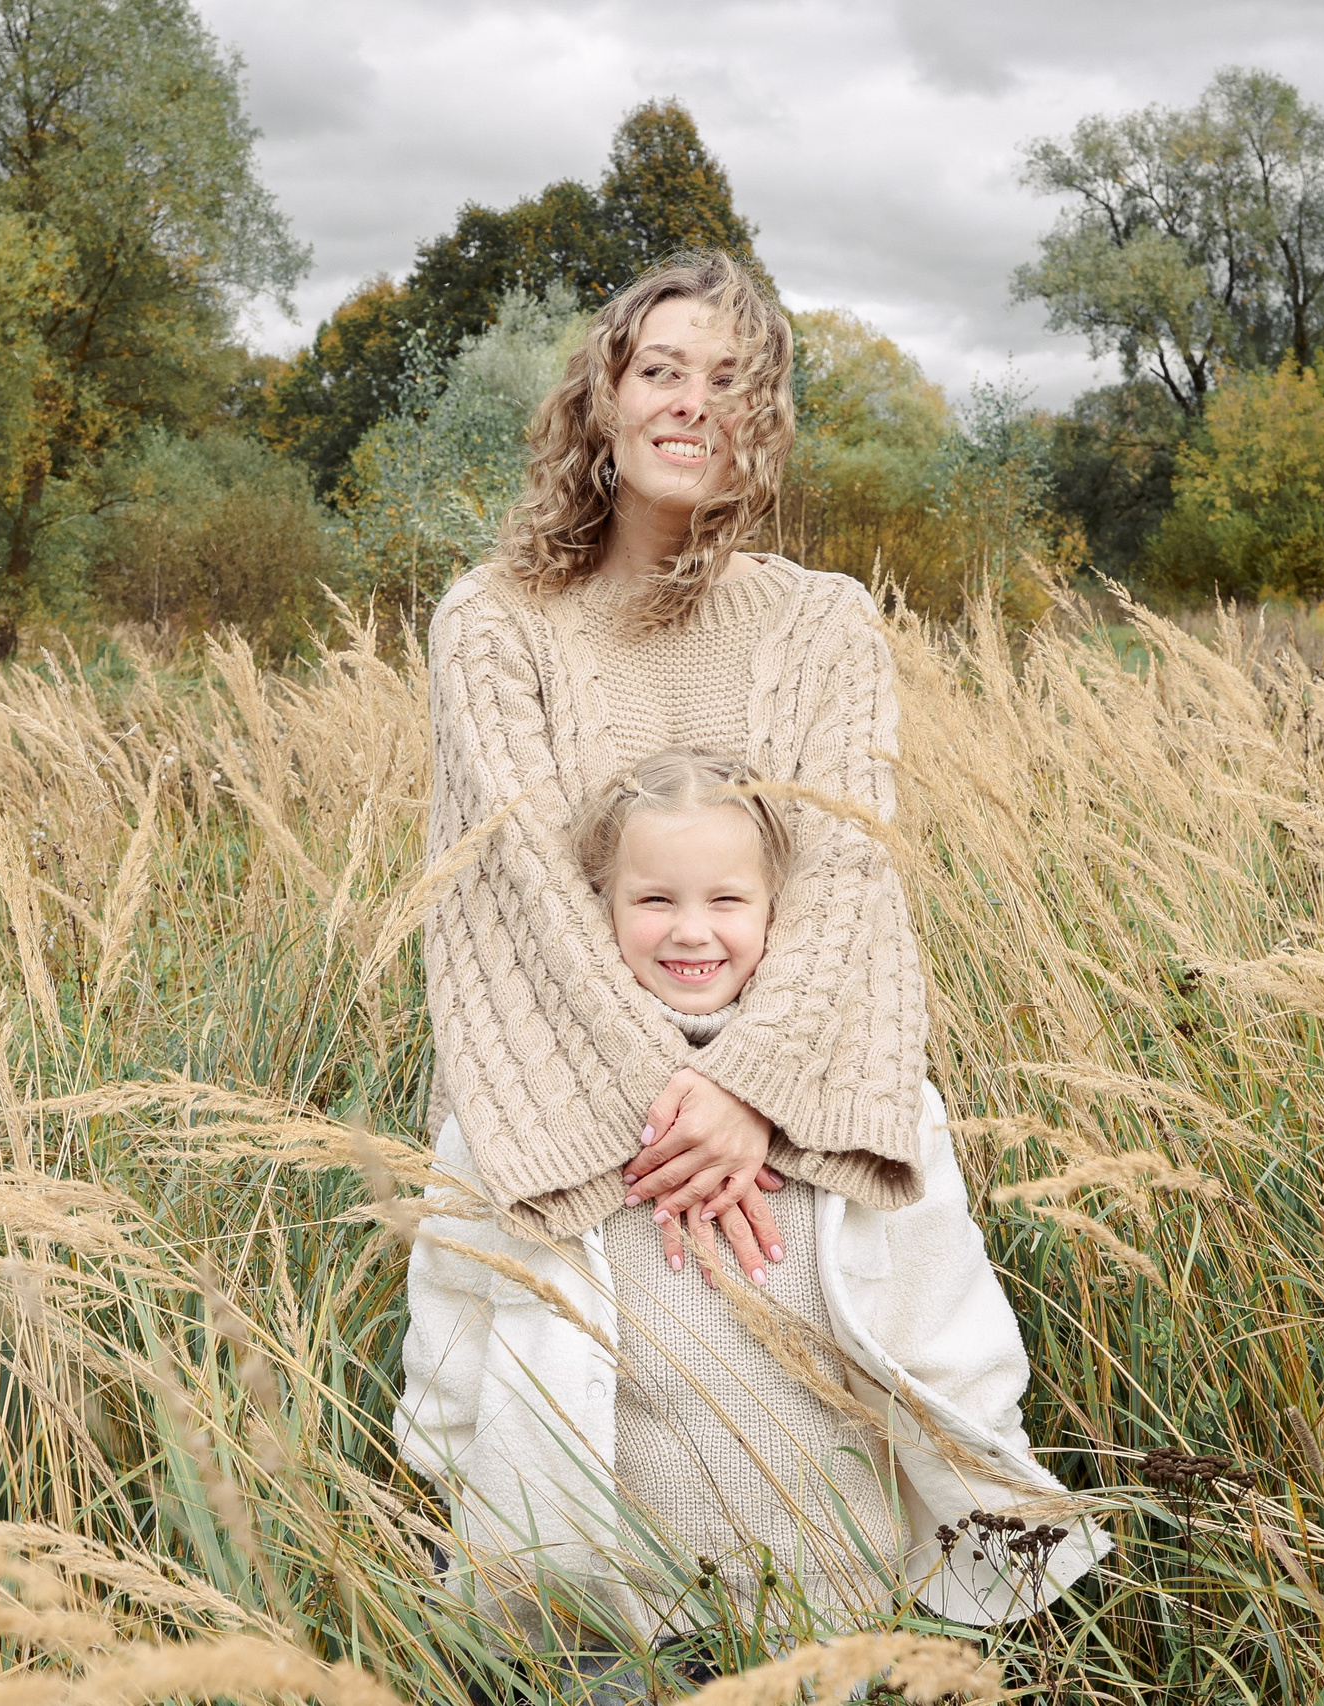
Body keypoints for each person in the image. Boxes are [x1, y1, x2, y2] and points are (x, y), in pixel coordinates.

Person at [393, 253, 1098, 1664]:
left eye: (728, 379)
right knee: (580, 1487)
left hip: (791, 1089)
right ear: (601, 400)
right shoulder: (493, 619)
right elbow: (517, 892)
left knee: (835, 1440)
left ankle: (866, 1646)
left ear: (762, 417)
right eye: (659, 370)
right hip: (574, 1092)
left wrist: (754, 1094)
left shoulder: (821, 620)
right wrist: (678, 1112)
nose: (689, 402)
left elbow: (849, 871)